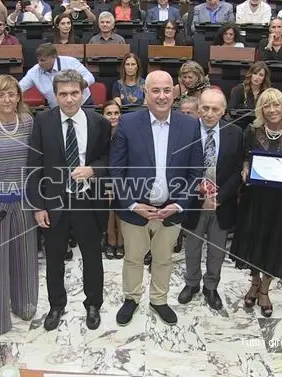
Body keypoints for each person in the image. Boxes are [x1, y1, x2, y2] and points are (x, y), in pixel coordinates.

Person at [110, 70, 203, 326]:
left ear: (173, 93)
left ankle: (159, 300)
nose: (162, 96)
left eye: (166, 91)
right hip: (134, 209)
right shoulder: (128, 123)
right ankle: (131, 298)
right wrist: (133, 204)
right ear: (145, 93)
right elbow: (116, 170)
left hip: (171, 210)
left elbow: (196, 171)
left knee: (164, 259)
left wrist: (178, 204)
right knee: (133, 258)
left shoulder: (190, 125)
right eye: (155, 91)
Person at [26, 69, 111, 331]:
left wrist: (93, 170)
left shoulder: (99, 122)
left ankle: (93, 304)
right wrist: (38, 205)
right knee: (53, 258)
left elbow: (109, 159)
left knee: (92, 257)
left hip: (87, 201)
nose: (70, 99)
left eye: (75, 93)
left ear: (83, 92)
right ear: (55, 95)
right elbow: (34, 165)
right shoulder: (42, 121)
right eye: (63, 94)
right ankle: (56, 305)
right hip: (54, 204)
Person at [230, 88, 282, 318]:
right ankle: (254, 281)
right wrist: (245, 169)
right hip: (255, 198)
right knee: (254, 241)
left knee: (274, 243)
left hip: (281, 199)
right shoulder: (251, 131)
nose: (272, 110)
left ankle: (264, 289)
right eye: (266, 106)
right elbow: (243, 157)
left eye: (276, 105)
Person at [0, 75, 39, 334]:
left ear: (19, 97)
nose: (7, 99)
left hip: (25, 200)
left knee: (26, 258)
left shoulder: (28, 122)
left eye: (12, 94)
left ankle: (25, 306)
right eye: (1, 95)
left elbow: (35, 164)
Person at [179, 88, 243, 311]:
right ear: (198, 108)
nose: (209, 113)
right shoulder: (186, 132)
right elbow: (180, 168)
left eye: (215, 109)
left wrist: (220, 197)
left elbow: (237, 172)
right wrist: (198, 194)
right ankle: (192, 283)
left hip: (221, 204)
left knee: (216, 251)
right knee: (192, 248)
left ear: (223, 111)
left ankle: (211, 286)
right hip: (194, 202)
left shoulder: (235, 133)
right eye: (204, 108)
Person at [19, 43, 95, 108]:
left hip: (83, 104)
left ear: (54, 57)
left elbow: (90, 78)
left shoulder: (70, 62)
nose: (40, 63)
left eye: (43, 60)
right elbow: (19, 87)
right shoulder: (34, 72)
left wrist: (77, 86)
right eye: (38, 60)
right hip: (58, 109)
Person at [101, 100, 125, 260]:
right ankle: (111, 239)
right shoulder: (98, 134)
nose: (113, 116)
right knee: (109, 202)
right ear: (103, 115)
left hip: (125, 176)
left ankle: (122, 240)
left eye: (116, 113)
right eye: (109, 113)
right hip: (104, 176)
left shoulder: (127, 132)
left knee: (121, 203)